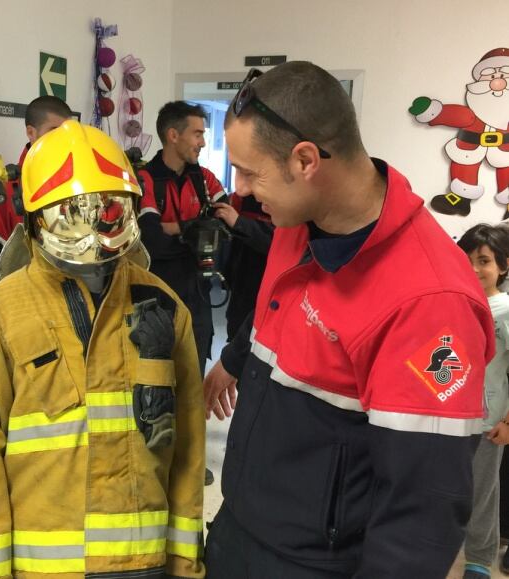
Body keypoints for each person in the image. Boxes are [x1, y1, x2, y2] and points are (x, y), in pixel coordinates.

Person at [203, 61, 495, 578]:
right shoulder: (298, 220)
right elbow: (278, 303)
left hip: (315, 563)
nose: (240, 189)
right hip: (243, 529)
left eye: (250, 171)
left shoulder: (430, 302)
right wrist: (233, 358)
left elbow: (421, 515)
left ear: (306, 160)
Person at [0, 120, 206, 579]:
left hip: (145, 564)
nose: (95, 227)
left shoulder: (164, 307)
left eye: (109, 210)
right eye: (74, 213)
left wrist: (183, 563)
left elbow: (189, 445)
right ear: (35, 220)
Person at [137, 101, 227, 377]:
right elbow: (151, 240)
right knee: (154, 382)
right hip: (155, 300)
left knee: (193, 381)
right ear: (173, 136)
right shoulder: (145, 178)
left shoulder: (205, 179)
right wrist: (193, 230)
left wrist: (174, 229)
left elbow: (225, 227)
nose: (202, 142)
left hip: (198, 298)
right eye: (197, 134)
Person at [0, 95, 72, 304]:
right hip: (20, 310)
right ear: (31, 132)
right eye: (53, 132)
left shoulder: (75, 186)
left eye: (66, 134)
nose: (61, 140)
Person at [457, 224, 509, 579]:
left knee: (483, 494)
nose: (474, 268)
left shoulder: (505, 309)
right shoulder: (452, 301)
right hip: (446, 418)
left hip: (489, 422)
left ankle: (478, 559)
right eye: (467, 259)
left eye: (484, 261)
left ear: (503, 266)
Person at [213, 194, 273, 341]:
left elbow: (277, 243)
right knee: (236, 331)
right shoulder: (243, 197)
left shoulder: (287, 199)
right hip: (241, 286)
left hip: (267, 287)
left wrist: (240, 222)